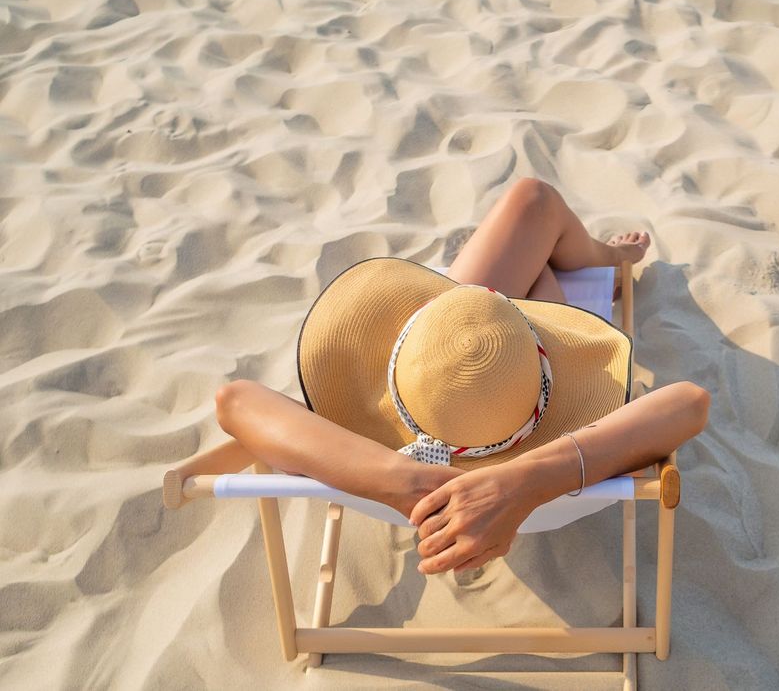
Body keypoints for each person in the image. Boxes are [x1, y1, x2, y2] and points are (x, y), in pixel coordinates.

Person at [201, 178, 709, 576]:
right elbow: (689, 404)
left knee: (532, 213)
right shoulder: (544, 425)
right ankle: (606, 263)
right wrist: (522, 481)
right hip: (521, 383)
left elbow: (237, 402)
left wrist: (411, 484)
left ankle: (574, 275)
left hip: (442, 371)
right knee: (535, 202)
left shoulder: (350, 450)